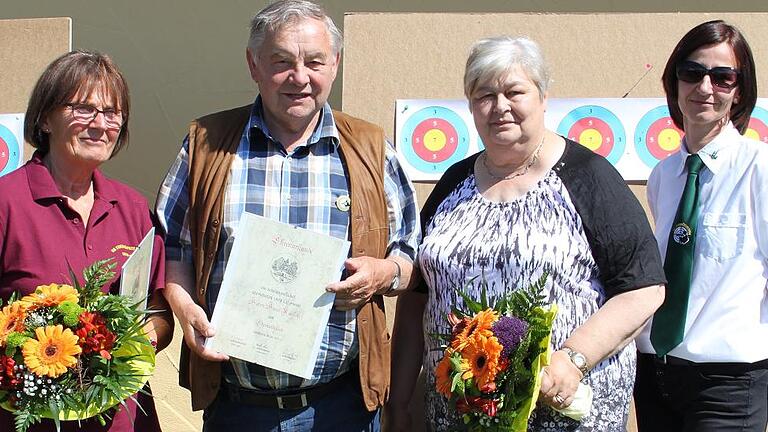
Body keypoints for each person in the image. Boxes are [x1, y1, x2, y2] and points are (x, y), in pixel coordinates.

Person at [154, 1, 419, 431]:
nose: (300, 77)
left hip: (342, 408)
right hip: (238, 409)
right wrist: (184, 311)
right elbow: (172, 249)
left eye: (314, 61)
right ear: (253, 65)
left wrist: (383, 272)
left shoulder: (371, 149)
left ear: (335, 63)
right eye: (281, 62)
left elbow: (411, 255)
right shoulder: (205, 145)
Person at [387, 36, 666, 431]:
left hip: (562, 411)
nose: (499, 106)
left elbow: (644, 288)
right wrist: (398, 404)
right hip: (461, 416)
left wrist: (573, 358)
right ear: (470, 105)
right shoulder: (454, 183)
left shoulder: (588, 176)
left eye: (514, 91)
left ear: (542, 97)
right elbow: (418, 298)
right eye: (484, 95)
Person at [0, 50, 173, 431]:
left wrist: (135, 338)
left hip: (123, 417)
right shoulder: (6, 202)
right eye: (82, 108)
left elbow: (159, 313)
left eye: (112, 113)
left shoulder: (131, 207)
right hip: (29, 420)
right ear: (45, 118)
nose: (100, 124)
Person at [634, 20, 768, 432]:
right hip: (656, 373)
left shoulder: (759, 168)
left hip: (729, 381)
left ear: (740, 90)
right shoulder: (664, 175)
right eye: (692, 72)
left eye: (722, 77)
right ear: (674, 81)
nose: (705, 87)